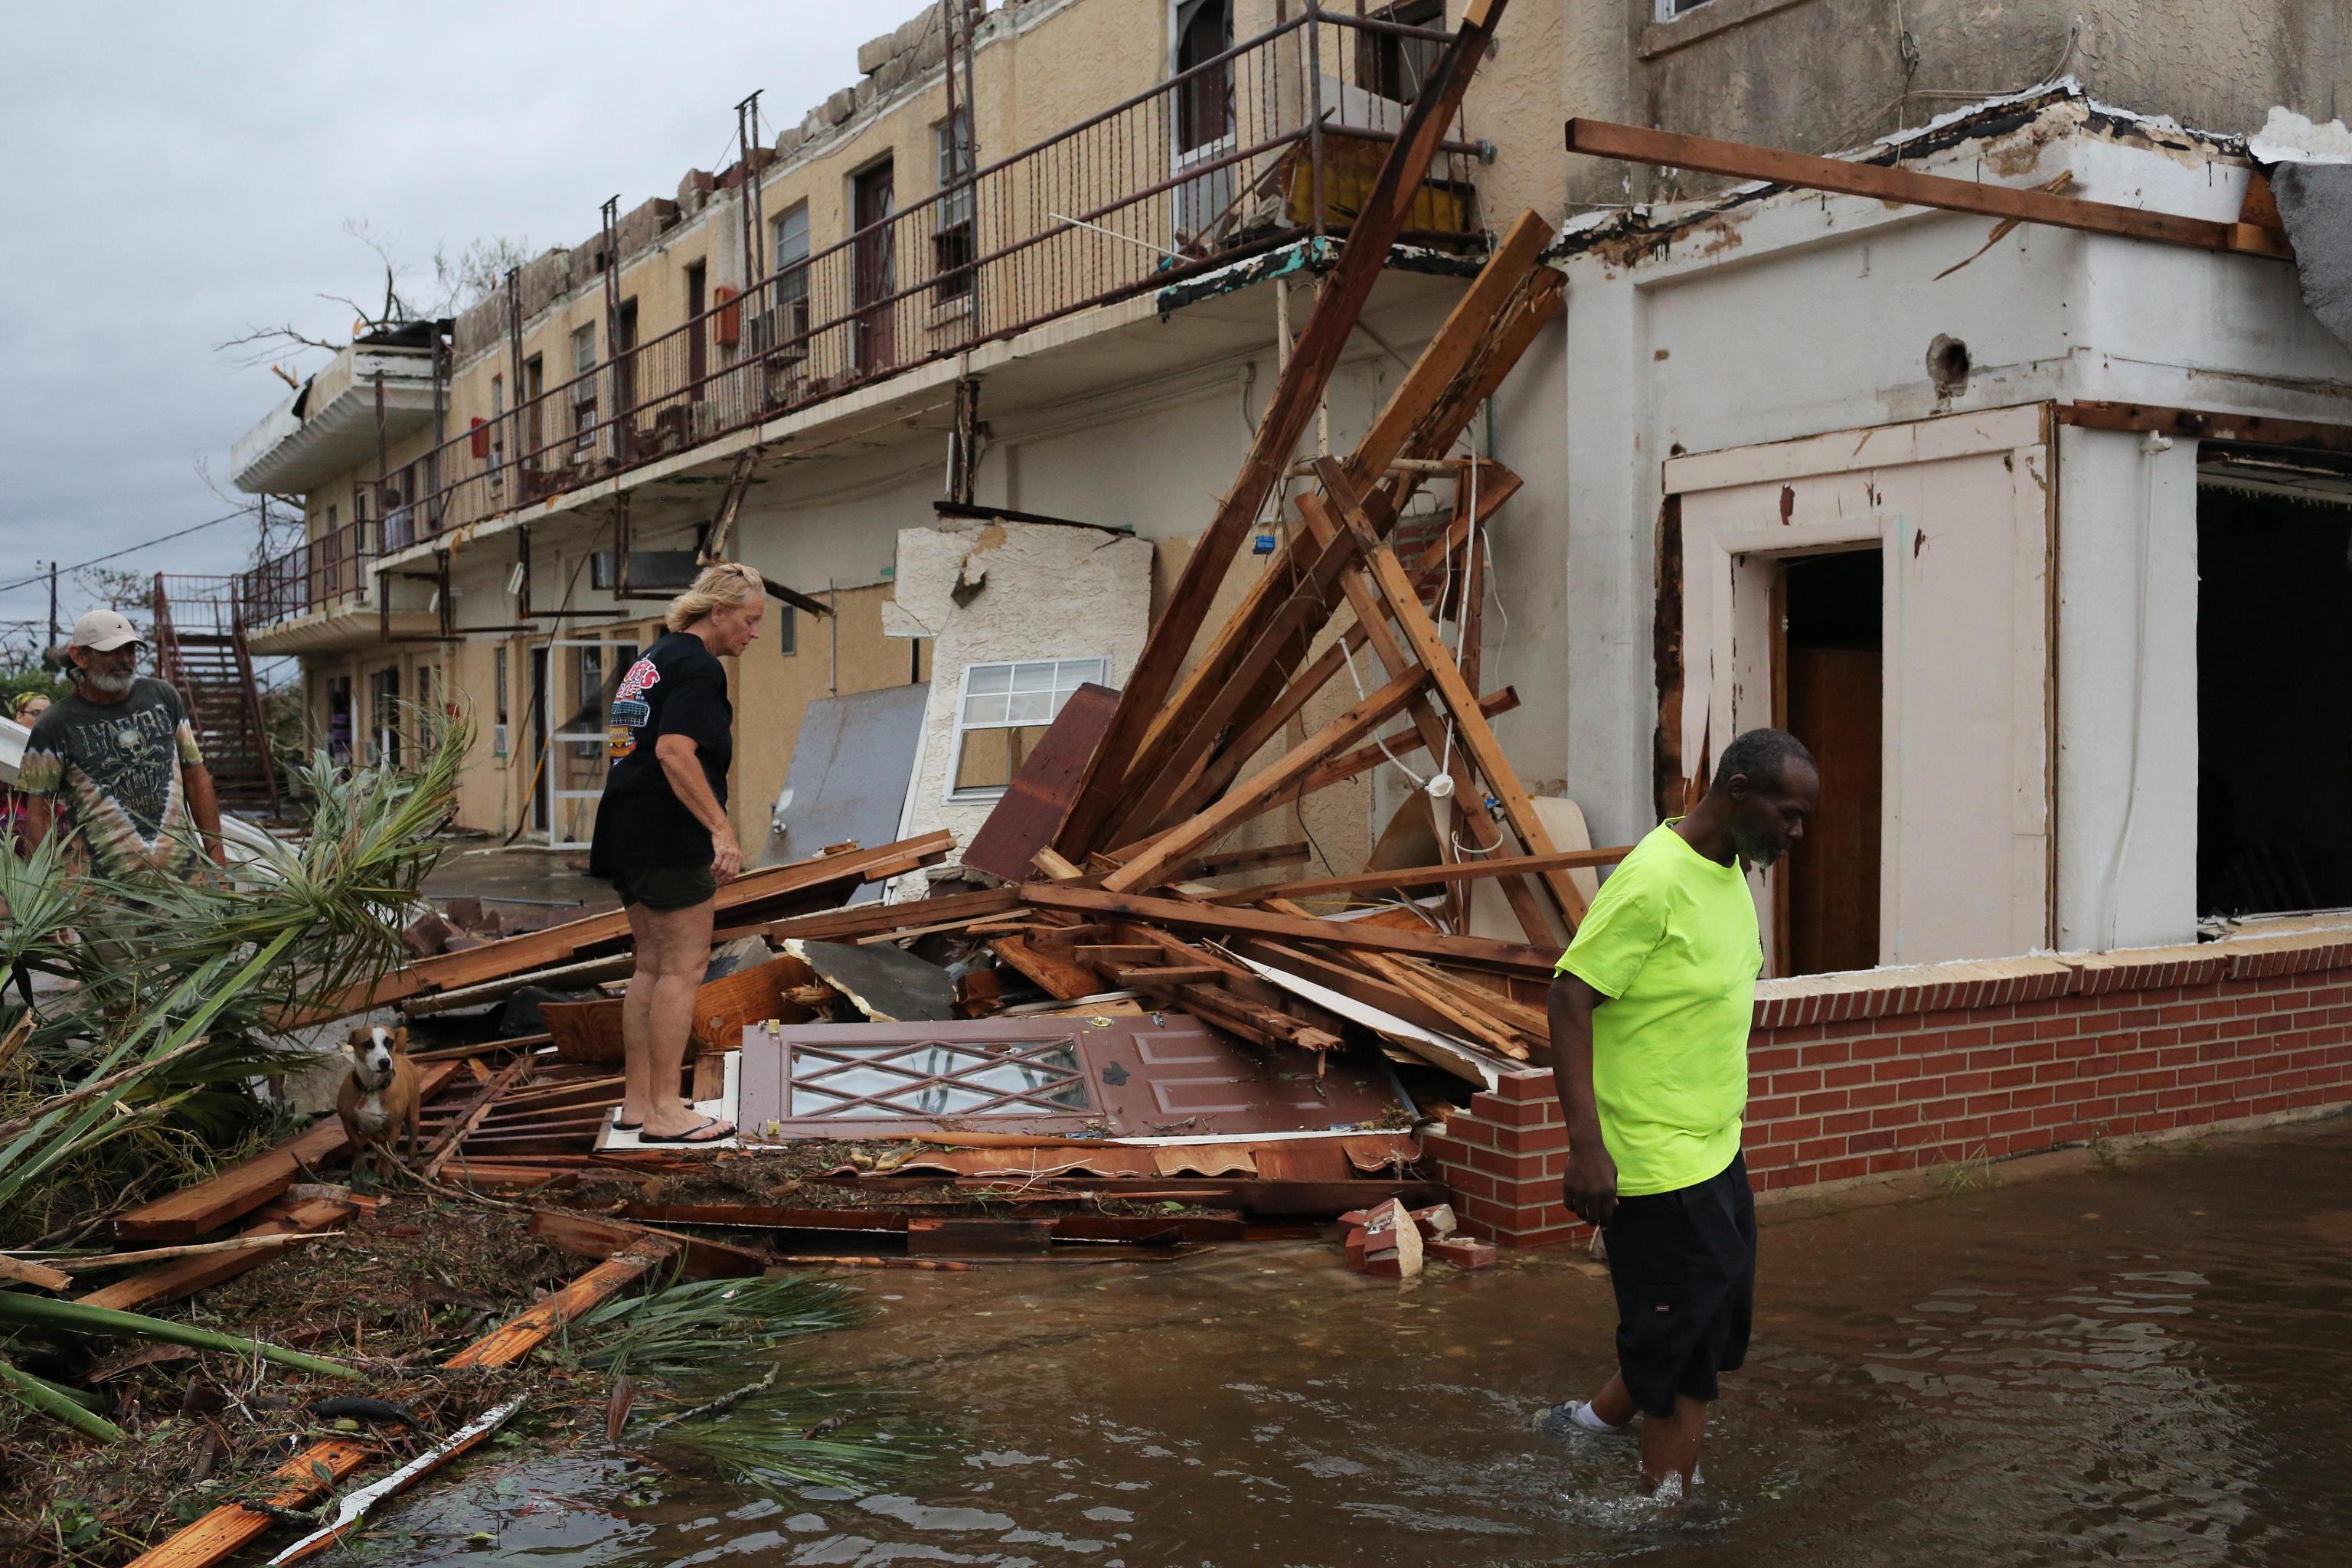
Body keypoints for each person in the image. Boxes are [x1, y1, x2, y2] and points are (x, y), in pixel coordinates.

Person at [1540, 727, 1819, 1496]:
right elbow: (1569, 993)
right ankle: (1665, 1512)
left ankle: (1589, 1423)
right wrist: (1585, 1146)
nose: (1795, 834)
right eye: (1788, 815)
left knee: (1711, 1318)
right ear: (1738, 792)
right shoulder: (1652, 879)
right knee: (1683, 1349)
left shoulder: (1729, 867)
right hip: (1654, 1162)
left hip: (1715, 1149)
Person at [588, 562, 766, 1145]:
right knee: (684, 968)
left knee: (651, 966)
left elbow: (626, 747)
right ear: (718, 612)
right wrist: (722, 830)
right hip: (667, 834)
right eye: (749, 619)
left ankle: (639, 1103)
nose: (754, 633)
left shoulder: (651, 661)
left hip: (624, 828)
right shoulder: (698, 665)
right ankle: (666, 1110)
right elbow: (673, 751)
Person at [18, 610, 226, 879]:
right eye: (111, 651)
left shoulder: (162, 698)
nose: (125, 660)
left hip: (184, 890)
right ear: (80, 656)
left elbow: (196, 779)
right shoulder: (55, 724)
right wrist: (43, 894)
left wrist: (218, 860)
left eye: (130, 649)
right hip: (104, 900)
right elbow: (39, 814)